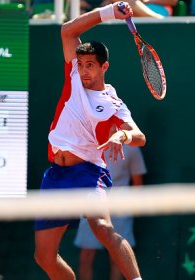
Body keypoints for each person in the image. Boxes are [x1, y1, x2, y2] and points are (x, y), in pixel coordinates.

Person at [33, 2, 146, 280]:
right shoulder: (72, 76)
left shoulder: (113, 102)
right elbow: (68, 31)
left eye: (90, 65)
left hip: (87, 172)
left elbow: (139, 136)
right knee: (44, 257)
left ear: (104, 66)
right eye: (81, 64)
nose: (83, 70)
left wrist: (122, 134)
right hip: (56, 175)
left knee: (101, 226)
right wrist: (108, 12)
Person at [74, 144, 147, 280]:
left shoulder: (132, 148)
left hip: (120, 208)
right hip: (92, 202)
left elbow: (138, 183)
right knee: (86, 255)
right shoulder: (89, 142)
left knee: (117, 258)